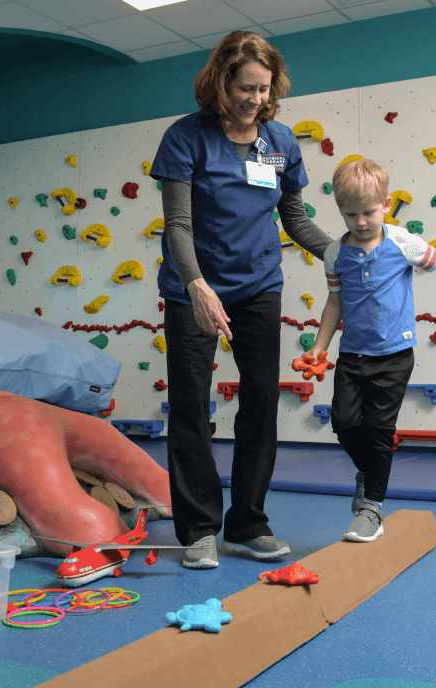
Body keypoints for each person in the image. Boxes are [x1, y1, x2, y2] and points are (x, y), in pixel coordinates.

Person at [148, 31, 334, 570]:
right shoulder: (186, 138)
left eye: (264, 89)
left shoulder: (280, 142)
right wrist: (196, 285)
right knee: (189, 407)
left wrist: (340, 254)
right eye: (246, 88)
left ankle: (248, 522)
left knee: (260, 401)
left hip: (258, 288)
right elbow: (177, 225)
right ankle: (199, 528)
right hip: (193, 291)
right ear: (221, 82)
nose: (255, 99)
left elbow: (295, 219)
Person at [305, 158, 436, 542]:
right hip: (353, 355)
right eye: (351, 214)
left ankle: (372, 509)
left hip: (395, 356)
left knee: (381, 431)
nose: (361, 221)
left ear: (385, 204)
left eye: (368, 212)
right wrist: (320, 346)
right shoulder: (335, 254)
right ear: (340, 211)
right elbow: (335, 302)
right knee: (344, 423)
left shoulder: (402, 243)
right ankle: (367, 472)